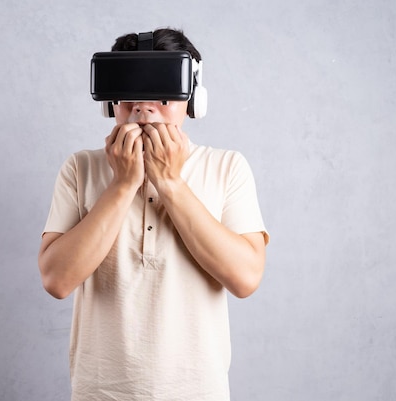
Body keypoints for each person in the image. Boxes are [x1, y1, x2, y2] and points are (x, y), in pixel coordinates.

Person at [38, 27, 269, 401]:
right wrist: (123, 184)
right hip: (100, 393)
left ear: (193, 101)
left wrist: (170, 182)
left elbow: (245, 278)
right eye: (129, 96)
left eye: (163, 97)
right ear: (110, 102)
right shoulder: (79, 169)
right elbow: (56, 280)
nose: (143, 111)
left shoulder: (228, 167)